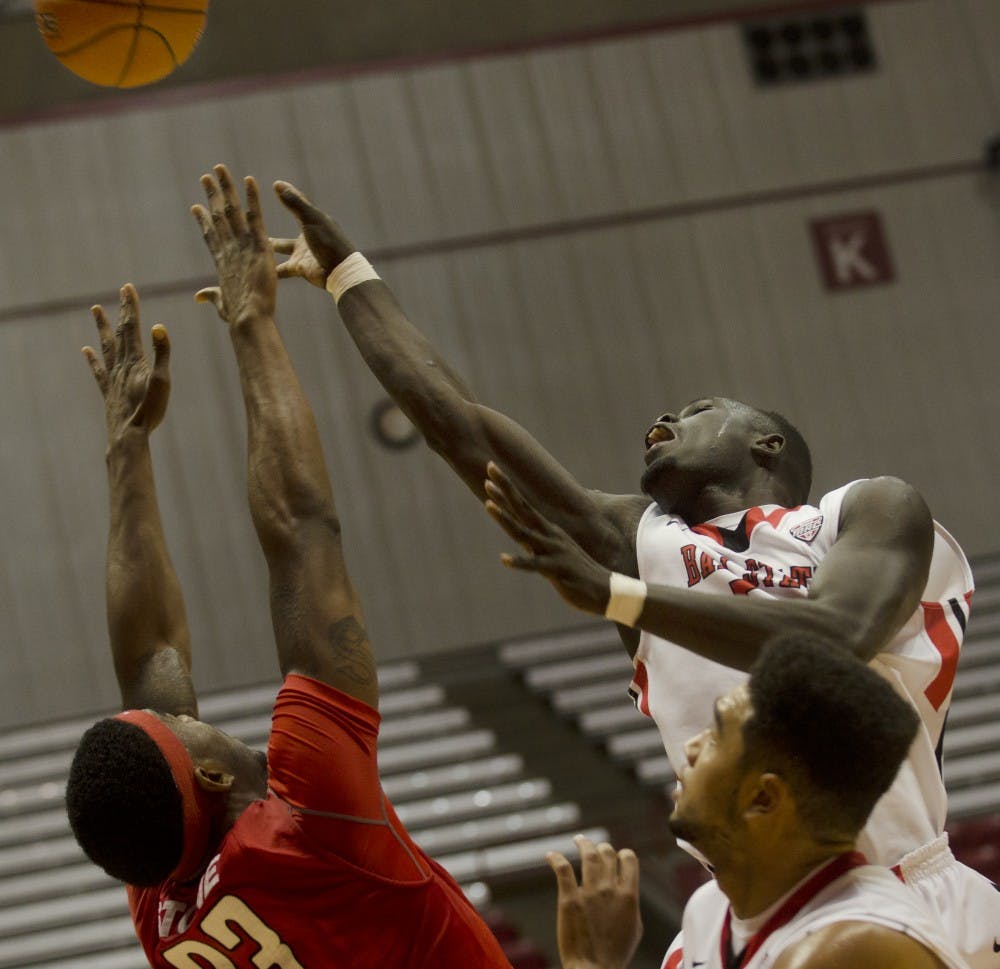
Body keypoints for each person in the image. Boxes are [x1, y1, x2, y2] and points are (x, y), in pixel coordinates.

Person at [266, 182, 998, 968]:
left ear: (768, 445)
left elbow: (835, 643)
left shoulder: (866, 512)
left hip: (903, 885)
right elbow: (457, 419)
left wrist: (622, 597)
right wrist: (349, 277)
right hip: (742, 898)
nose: (661, 422)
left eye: (695, 408)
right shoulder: (639, 541)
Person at [65, 168, 513, 968]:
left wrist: (127, 447)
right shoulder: (314, 824)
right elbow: (303, 533)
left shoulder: (165, 903)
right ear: (206, 770)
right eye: (190, 724)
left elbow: (148, 667)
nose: (189, 709)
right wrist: (251, 321)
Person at [546, 637, 968, 969]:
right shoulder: (711, 911)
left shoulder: (849, 948)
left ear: (763, 799)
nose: (690, 748)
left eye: (715, 737)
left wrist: (592, 964)